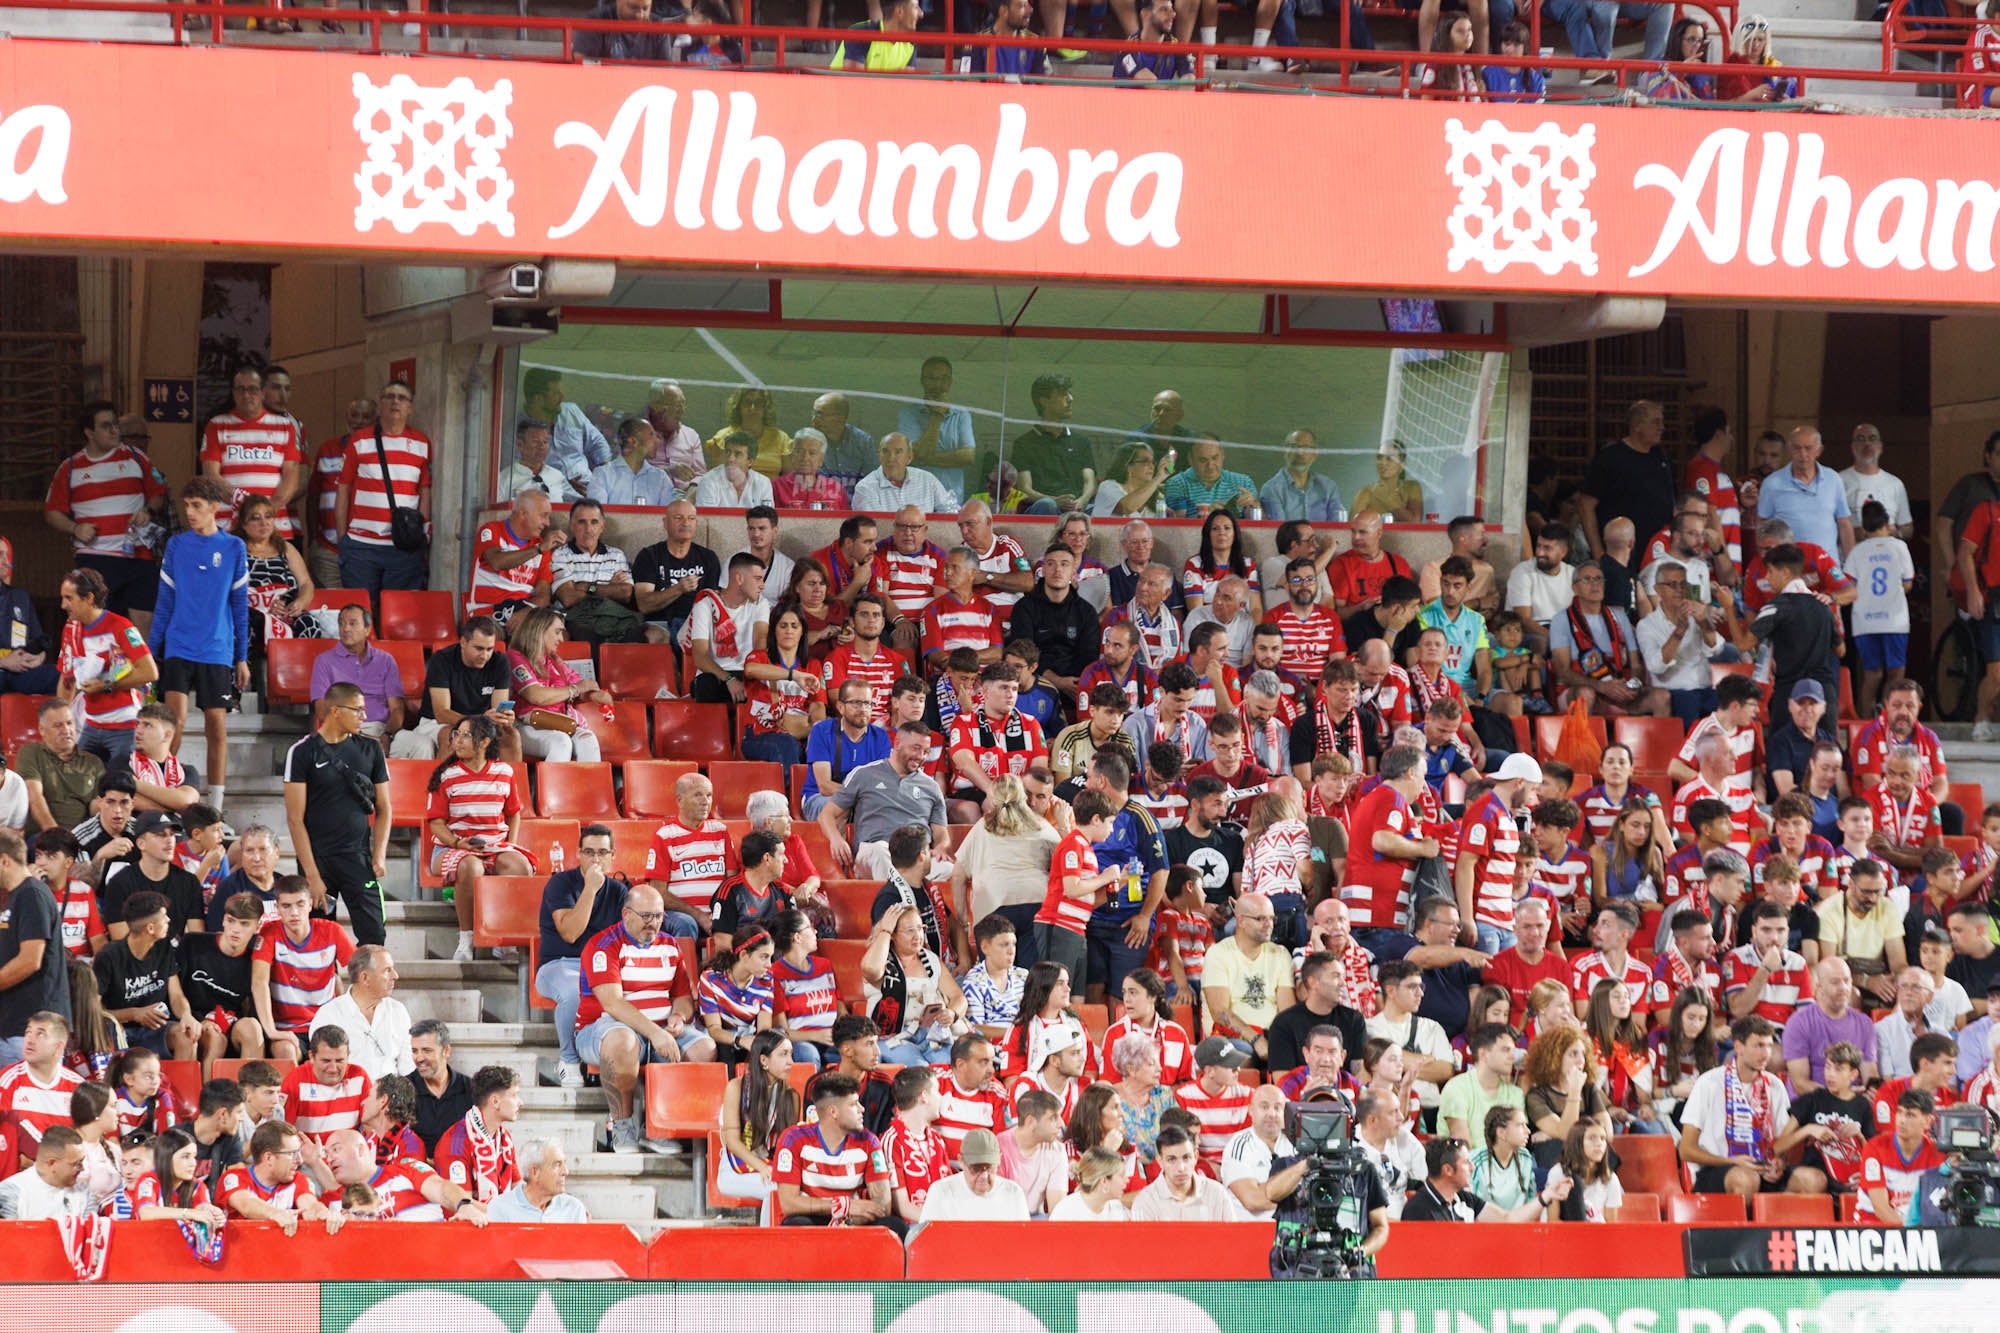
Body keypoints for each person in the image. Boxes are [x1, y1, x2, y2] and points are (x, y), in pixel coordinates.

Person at [44, 400, 169, 633]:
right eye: (106, 426)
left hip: (138, 553)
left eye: (115, 425)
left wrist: (147, 511)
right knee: (98, 628)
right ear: (89, 432)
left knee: (142, 627)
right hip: (96, 557)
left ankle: (139, 669)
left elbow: (158, 495)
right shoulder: (70, 468)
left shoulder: (136, 457)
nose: (114, 431)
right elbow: (51, 512)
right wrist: (75, 529)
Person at [283, 682, 392, 947]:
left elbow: (385, 808)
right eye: (358, 710)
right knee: (318, 938)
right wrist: (312, 875)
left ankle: (370, 988)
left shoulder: (371, 749)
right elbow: (295, 819)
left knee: (374, 936)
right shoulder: (302, 751)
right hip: (318, 860)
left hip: (359, 857)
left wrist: (379, 854)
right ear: (335, 710)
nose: (364, 717)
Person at [55, 565, 157, 772]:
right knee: (80, 784)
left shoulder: (121, 626)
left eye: (69, 598)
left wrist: (106, 685)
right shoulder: (70, 629)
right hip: (90, 725)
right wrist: (62, 723)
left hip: (124, 724)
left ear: (89, 598)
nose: (63, 605)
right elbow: (67, 680)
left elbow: (150, 672)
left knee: (121, 787)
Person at [819, 722, 948, 881]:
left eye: (926, 751)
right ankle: (900, 903)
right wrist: (836, 839)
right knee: (881, 854)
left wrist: (942, 846)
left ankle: (909, 900)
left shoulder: (931, 787)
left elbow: (941, 832)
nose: (920, 756)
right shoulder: (864, 774)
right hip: (876, 851)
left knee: (952, 871)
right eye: (915, 748)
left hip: (917, 856)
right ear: (898, 744)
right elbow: (826, 814)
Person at [249, 877, 353, 1065]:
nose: (294, 912)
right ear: (278, 908)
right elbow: (259, 982)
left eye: (300, 904)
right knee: (285, 1051)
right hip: (288, 1029)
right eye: (286, 906)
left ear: (310, 904)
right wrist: (271, 1030)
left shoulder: (332, 931)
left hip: (326, 1025)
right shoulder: (269, 933)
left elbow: (360, 971)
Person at [391, 616, 514, 762]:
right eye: (479, 648)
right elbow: (441, 713)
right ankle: (438, 783)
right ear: (463, 642)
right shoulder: (442, 660)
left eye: (489, 649)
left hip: (480, 722)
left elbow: (498, 708)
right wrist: (477, 722)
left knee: (511, 737)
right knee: (452, 735)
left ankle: (511, 784)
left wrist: (504, 717)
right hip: (435, 723)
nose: (485, 655)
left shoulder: (499, 662)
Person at [862, 903, 967, 1068]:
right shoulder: (882, 959)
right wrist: (885, 931)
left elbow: (958, 997)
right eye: (910, 930)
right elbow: (870, 970)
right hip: (892, 1037)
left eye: (920, 928)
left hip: (931, 1033)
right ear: (894, 935)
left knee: (947, 1064)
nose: (918, 935)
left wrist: (952, 1013)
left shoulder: (931, 959)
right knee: (919, 1068)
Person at [506, 606, 611, 764]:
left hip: (560, 722)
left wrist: (596, 695)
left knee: (588, 740)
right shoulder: (515, 657)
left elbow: (580, 686)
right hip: (525, 726)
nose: (561, 639)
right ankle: (552, 789)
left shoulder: (554, 659)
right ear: (539, 631)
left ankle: (589, 788)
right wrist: (577, 689)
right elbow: (536, 696)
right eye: (557, 632)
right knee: (561, 742)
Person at [1579, 401, 1677, 562]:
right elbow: (1585, 505)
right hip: (1622, 557)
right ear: (1637, 425)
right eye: (1656, 422)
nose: (1662, 427)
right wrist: (1598, 553)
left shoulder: (1660, 455)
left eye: (1662, 421)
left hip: (1659, 553)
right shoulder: (1610, 458)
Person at [307, 945, 413, 1083]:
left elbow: (408, 1068)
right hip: (346, 1097)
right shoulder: (329, 1016)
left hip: (391, 1098)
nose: (395, 976)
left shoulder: (398, 1011)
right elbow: (325, 1073)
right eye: (387, 970)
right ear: (365, 977)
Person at [633, 501, 722, 647]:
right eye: (678, 518)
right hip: (659, 623)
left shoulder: (708, 557)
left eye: (691, 518)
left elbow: (713, 602)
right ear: (665, 522)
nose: (686, 523)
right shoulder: (649, 556)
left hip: (697, 624)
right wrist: (678, 589)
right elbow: (644, 604)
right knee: (655, 636)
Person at [237, 494, 315, 661]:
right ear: (244, 524)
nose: (264, 523)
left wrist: (299, 603)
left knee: (309, 624)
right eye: (255, 518)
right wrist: (261, 606)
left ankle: (301, 678)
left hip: (283, 609)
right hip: (248, 609)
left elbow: (306, 584)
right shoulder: (235, 548)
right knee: (243, 625)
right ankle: (243, 681)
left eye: (268, 517)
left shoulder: (286, 548)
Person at [1401, 1135, 1548, 1222]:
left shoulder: (1466, 1199)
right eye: (1466, 1162)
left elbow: (1507, 1219)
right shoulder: (1417, 1209)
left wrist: (1546, 1197)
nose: (1472, 1167)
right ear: (1448, 1170)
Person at [465, 489, 558, 622]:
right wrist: (538, 549)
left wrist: (525, 613)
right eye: (543, 516)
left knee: (558, 633)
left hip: (523, 612)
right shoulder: (491, 530)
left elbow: (543, 595)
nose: (547, 523)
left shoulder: (542, 547)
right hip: (487, 613)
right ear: (523, 513)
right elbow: (496, 562)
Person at [16, 698, 102, 835]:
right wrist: (56, 835)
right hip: (45, 835)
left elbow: (96, 808)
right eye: (58, 725)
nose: (66, 730)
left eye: (69, 723)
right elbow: (35, 797)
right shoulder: (31, 753)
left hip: (82, 837)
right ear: (42, 730)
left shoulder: (93, 762)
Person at [407, 1021, 474, 1157]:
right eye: (415, 1051)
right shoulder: (404, 1089)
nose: (419, 1058)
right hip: (417, 1172)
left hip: (460, 1170)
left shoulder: (470, 1089)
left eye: (427, 1050)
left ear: (446, 1051)